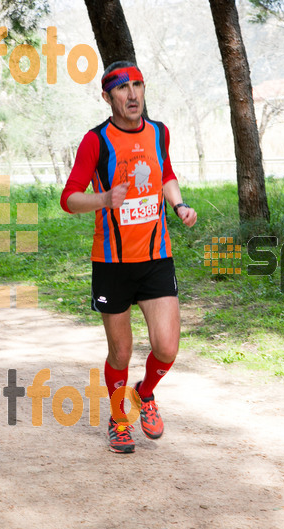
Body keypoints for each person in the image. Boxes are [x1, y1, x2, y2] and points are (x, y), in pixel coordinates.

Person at [60, 61, 197, 453]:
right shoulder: (96, 141)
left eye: (138, 85)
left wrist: (179, 204)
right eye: (123, 88)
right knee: (120, 351)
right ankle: (120, 419)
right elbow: (69, 198)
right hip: (112, 264)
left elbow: (165, 173)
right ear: (108, 97)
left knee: (167, 347)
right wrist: (103, 199)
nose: (133, 94)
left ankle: (144, 393)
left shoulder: (159, 132)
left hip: (156, 256)